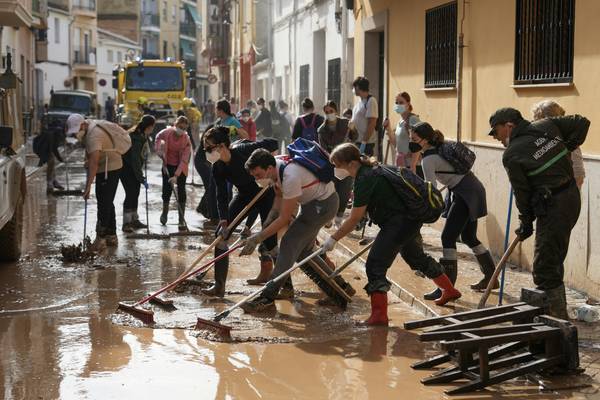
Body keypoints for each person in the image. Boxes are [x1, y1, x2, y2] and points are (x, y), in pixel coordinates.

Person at [321, 143, 461, 325]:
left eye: (336, 165)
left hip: (399, 223)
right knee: (415, 257)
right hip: (409, 219)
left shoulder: (365, 178)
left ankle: (379, 315)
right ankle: (449, 290)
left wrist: (333, 239)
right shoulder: (373, 170)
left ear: (350, 163)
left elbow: (355, 217)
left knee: (375, 265)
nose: (335, 169)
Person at [489, 107, 589, 319]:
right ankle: (556, 318)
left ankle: (558, 324)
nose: (496, 137)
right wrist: (568, 147)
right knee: (553, 258)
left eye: (496, 131)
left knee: (544, 268)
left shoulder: (512, 154)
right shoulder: (547, 125)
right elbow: (581, 121)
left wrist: (525, 221)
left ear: (509, 126)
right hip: (571, 197)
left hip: (555, 205)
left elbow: (522, 193)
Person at [239, 148, 339, 311]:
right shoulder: (276, 168)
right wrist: (268, 220)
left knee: (288, 243)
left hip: (323, 206)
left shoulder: (290, 177)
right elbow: (278, 199)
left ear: (269, 169)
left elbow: (284, 218)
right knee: (303, 251)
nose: (257, 179)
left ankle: (267, 297)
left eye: (258, 175)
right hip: (310, 204)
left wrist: (257, 238)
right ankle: (339, 288)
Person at [410, 122, 496, 298]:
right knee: (469, 237)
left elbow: (430, 189)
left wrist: (421, 210)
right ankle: (491, 277)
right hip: (471, 187)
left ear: (425, 140)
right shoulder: (438, 148)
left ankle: (447, 287)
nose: (411, 142)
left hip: (465, 192)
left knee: (447, 237)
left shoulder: (427, 159)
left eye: (414, 139)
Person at [200, 127, 280, 297]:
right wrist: (223, 219)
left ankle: (285, 286)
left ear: (222, 146)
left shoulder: (244, 150)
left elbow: (273, 143)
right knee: (221, 235)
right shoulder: (217, 167)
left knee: (270, 240)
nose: (207, 152)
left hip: (265, 194)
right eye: (205, 149)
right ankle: (219, 286)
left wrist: (270, 170)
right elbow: (221, 195)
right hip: (244, 195)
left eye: (209, 148)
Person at [66, 114, 126, 249]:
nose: (76, 135)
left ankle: (101, 239)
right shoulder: (89, 128)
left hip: (110, 168)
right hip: (106, 166)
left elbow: (94, 162)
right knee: (107, 200)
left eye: (77, 131)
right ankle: (111, 236)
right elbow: (90, 156)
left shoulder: (94, 135)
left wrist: (88, 187)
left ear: (83, 125)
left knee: (104, 202)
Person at [317, 100, 356, 227]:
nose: (329, 114)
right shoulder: (322, 130)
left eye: (331, 111)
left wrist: (353, 129)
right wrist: (331, 159)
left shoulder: (345, 123)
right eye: (327, 112)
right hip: (332, 162)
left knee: (345, 190)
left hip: (347, 161)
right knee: (332, 190)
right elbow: (322, 149)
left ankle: (339, 217)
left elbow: (355, 137)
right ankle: (329, 215)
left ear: (336, 111)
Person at [531, 100, 586, 190]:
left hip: (564, 197)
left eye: (536, 119)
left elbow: (578, 176)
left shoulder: (568, 139)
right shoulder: (534, 139)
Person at [155, 116, 192, 231]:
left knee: (181, 191)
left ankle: (181, 219)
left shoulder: (186, 140)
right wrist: (159, 151)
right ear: (175, 125)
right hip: (168, 165)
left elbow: (185, 160)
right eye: (180, 127)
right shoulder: (167, 133)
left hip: (181, 167)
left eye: (184, 128)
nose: (182, 130)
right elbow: (157, 138)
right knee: (166, 190)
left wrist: (176, 175)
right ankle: (164, 213)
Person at [120, 115, 155, 233]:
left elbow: (140, 156)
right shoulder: (135, 137)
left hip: (133, 168)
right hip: (126, 168)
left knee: (135, 192)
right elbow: (134, 160)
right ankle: (126, 223)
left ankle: (134, 220)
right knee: (130, 193)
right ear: (149, 126)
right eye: (152, 127)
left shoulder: (142, 135)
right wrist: (141, 178)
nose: (152, 129)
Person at [385, 92, 421, 170]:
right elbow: (395, 144)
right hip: (401, 162)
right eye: (396, 103)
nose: (398, 105)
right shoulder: (400, 121)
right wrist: (388, 128)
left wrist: (413, 165)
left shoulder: (413, 119)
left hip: (410, 163)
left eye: (401, 102)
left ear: (408, 104)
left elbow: (418, 143)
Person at [194, 125, 220, 228]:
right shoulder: (210, 134)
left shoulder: (215, 133)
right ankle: (210, 214)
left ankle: (203, 208)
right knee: (210, 187)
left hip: (207, 161)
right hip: (202, 162)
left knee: (210, 187)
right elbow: (209, 150)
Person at [350, 77, 378, 156]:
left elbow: (372, 123)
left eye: (354, 87)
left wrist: (364, 142)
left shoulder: (371, 101)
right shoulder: (359, 102)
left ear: (358, 87)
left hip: (365, 143)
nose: (353, 89)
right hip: (356, 141)